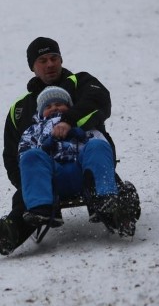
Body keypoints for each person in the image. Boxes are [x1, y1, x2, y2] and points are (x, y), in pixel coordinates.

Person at [0, 37, 139, 256]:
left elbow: (99, 103)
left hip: (88, 168)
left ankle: (121, 216)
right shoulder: (21, 109)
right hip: (47, 176)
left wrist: (68, 120)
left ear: (60, 60)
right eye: (42, 60)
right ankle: (7, 233)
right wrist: (29, 184)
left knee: (106, 181)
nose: (49, 64)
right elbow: (13, 154)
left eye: (53, 58)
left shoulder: (81, 83)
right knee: (24, 197)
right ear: (32, 66)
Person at [18, 85, 116, 228]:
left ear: (69, 107)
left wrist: (82, 137)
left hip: (84, 175)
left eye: (59, 104)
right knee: (31, 156)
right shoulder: (33, 131)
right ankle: (42, 207)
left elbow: (102, 147)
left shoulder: (81, 124)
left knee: (97, 145)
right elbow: (24, 156)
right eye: (48, 106)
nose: (54, 108)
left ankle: (104, 197)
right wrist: (44, 147)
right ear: (40, 112)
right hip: (53, 179)